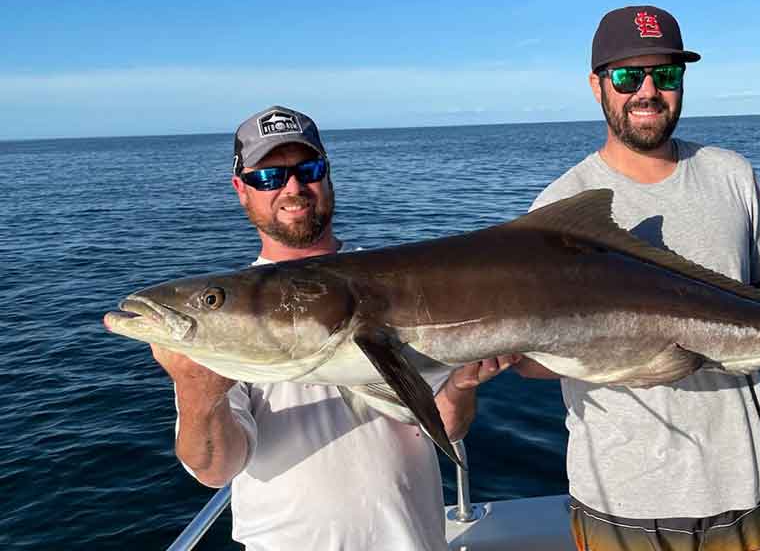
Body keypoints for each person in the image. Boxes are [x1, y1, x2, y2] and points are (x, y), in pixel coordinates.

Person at [517, 7, 760, 551]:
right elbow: (525, 357)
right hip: (620, 493)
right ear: (597, 86)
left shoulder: (732, 174)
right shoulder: (557, 208)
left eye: (665, 76)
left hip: (739, 478)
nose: (647, 91)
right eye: (626, 76)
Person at [151, 105, 517, 550]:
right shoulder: (223, 314)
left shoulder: (401, 285)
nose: (293, 187)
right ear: (240, 190)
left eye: (308, 168)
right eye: (267, 177)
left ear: (327, 175)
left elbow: (446, 425)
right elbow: (214, 470)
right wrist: (198, 395)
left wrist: (462, 385)